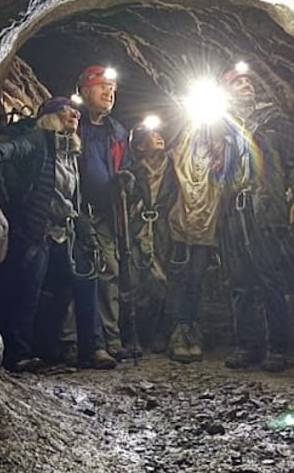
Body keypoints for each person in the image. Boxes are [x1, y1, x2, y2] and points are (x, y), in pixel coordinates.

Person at [0, 96, 116, 372]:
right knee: (27, 291)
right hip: (38, 229)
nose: (75, 115)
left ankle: (94, 348)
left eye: (76, 112)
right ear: (52, 115)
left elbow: (74, 198)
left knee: (85, 282)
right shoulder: (39, 140)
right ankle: (18, 354)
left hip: (65, 231)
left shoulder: (71, 153)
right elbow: (16, 147)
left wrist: (84, 229)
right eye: (68, 110)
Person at [217, 63, 294, 372]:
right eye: (237, 82)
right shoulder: (222, 127)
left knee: (270, 278)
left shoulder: (274, 121)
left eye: (248, 81)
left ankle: (278, 348)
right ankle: (246, 346)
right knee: (240, 281)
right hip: (234, 209)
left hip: (265, 205)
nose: (246, 85)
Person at [75, 64, 139, 359]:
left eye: (112, 89)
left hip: (107, 212)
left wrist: (126, 177)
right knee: (77, 273)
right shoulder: (74, 125)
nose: (108, 93)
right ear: (85, 92)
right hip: (75, 211)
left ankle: (110, 340)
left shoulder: (118, 131)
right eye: (102, 88)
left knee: (110, 272)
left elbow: (126, 166)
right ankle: (76, 343)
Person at [164, 119, 228, 363]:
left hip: (207, 225)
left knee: (196, 279)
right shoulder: (180, 147)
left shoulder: (222, 149)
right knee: (179, 277)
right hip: (180, 222)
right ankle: (179, 331)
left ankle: (190, 329)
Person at [125, 118, 178, 352]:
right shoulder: (132, 172)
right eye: (151, 135)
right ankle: (136, 335)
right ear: (139, 146)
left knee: (163, 280)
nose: (159, 137)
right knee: (136, 282)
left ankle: (160, 333)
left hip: (165, 228)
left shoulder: (175, 168)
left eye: (160, 133)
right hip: (138, 228)